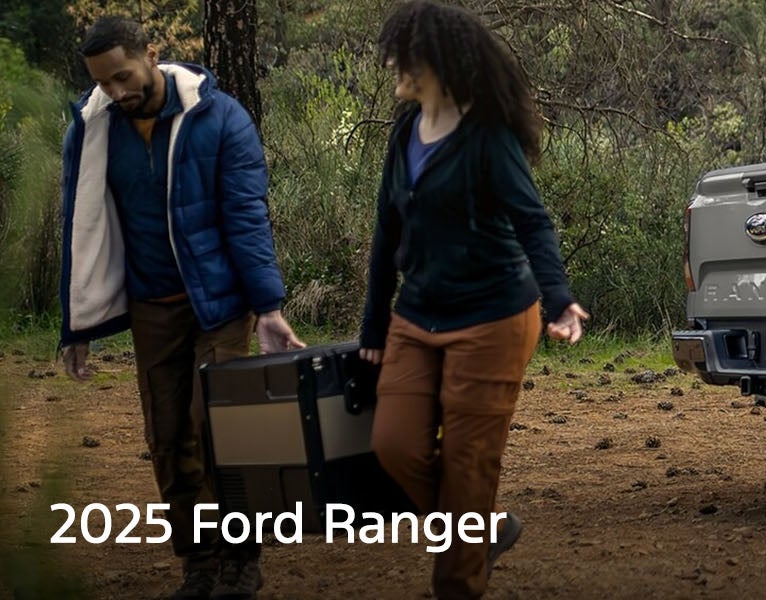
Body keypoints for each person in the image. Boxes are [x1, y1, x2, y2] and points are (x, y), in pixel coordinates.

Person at [57, 16, 305, 600]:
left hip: (220, 303)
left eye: (123, 76)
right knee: (168, 436)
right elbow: (83, 226)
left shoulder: (220, 119)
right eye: (104, 84)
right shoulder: (96, 129)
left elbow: (247, 216)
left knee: (219, 427)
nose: (117, 93)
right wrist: (78, 321)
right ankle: (198, 564)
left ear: (151, 53)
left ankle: (242, 559)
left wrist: (267, 306)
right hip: (153, 307)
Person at [358, 2, 588, 598]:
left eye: (404, 54)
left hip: (492, 318)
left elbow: (532, 222)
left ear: (437, 61)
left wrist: (560, 300)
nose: (392, 64)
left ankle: (458, 582)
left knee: (467, 466)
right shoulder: (405, 131)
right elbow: (387, 231)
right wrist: (373, 328)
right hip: (417, 314)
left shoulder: (487, 137)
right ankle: (480, 531)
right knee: (394, 446)